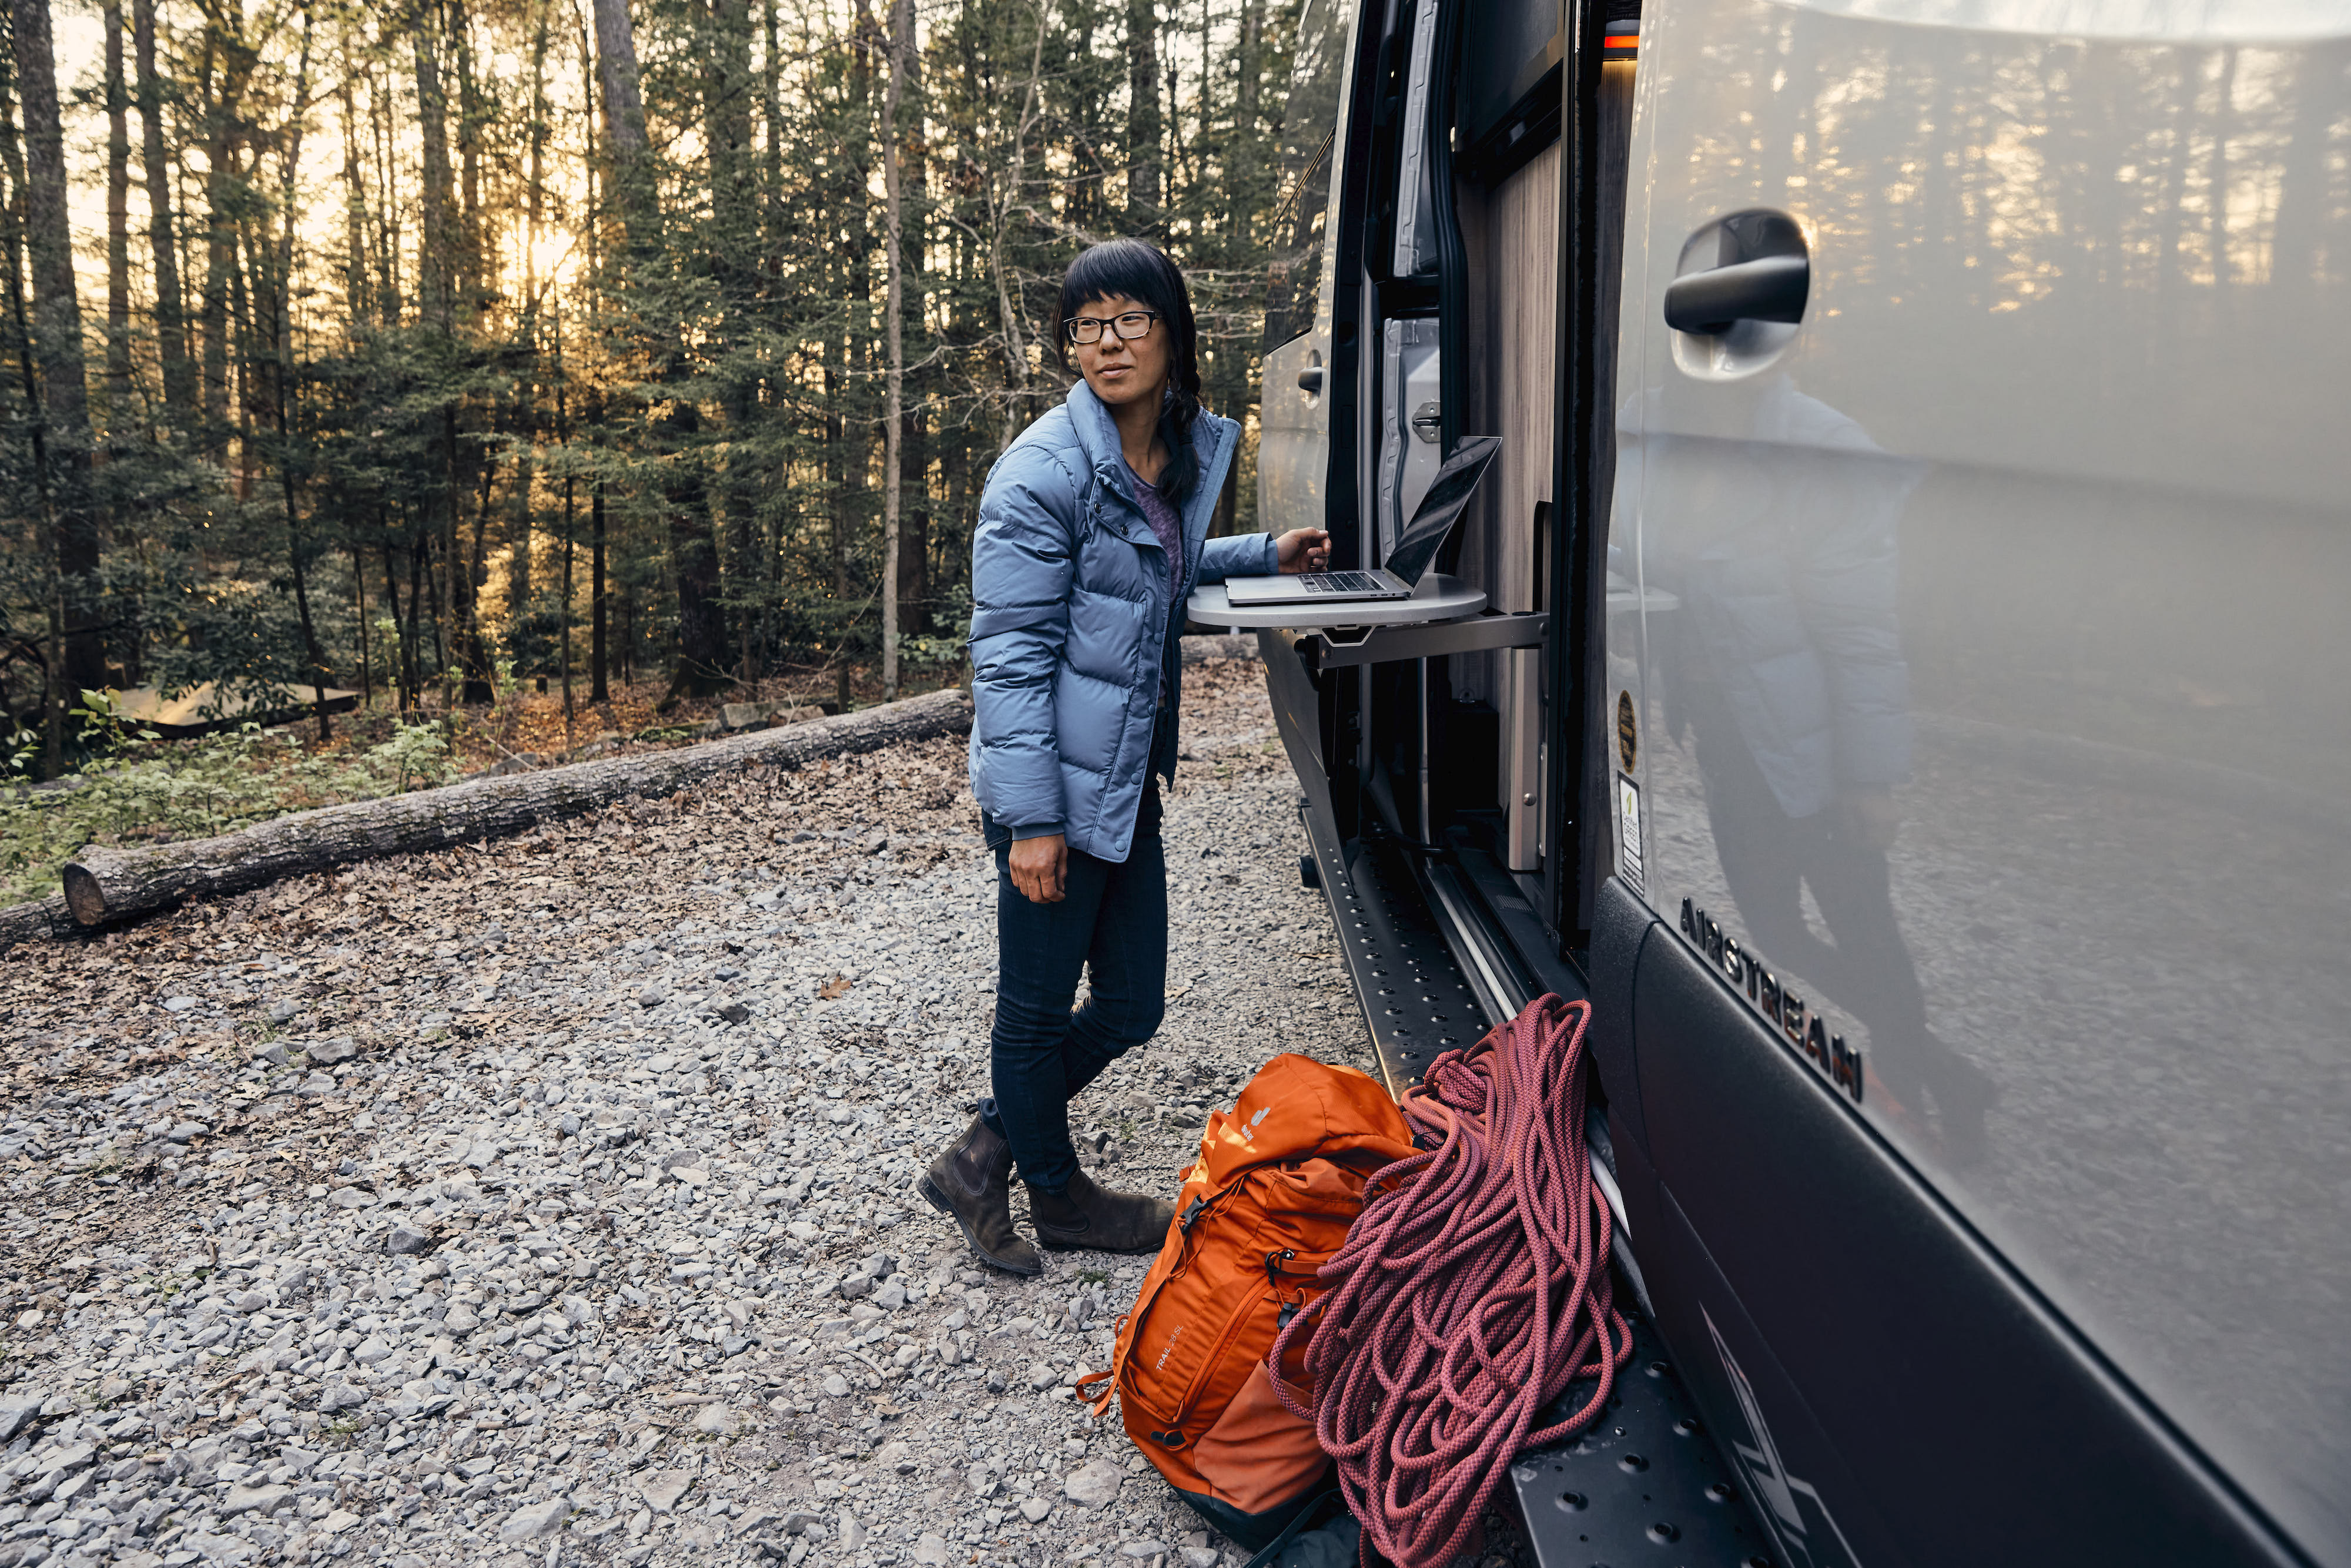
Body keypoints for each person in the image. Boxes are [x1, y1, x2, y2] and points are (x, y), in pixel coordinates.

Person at [919, 238, 1331, 1273]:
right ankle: (1058, 1200)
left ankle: (984, 1151)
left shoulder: (1171, 451)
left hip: (1123, 776)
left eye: (1129, 319)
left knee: (1135, 1002)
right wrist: (1032, 822)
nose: (1107, 343)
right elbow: (1007, 661)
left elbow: (1156, 562)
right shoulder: (1042, 474)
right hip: (1054, 790)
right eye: (1087, 326)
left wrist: (1262, 554)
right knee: (1033, 1014)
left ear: (1172, 331)